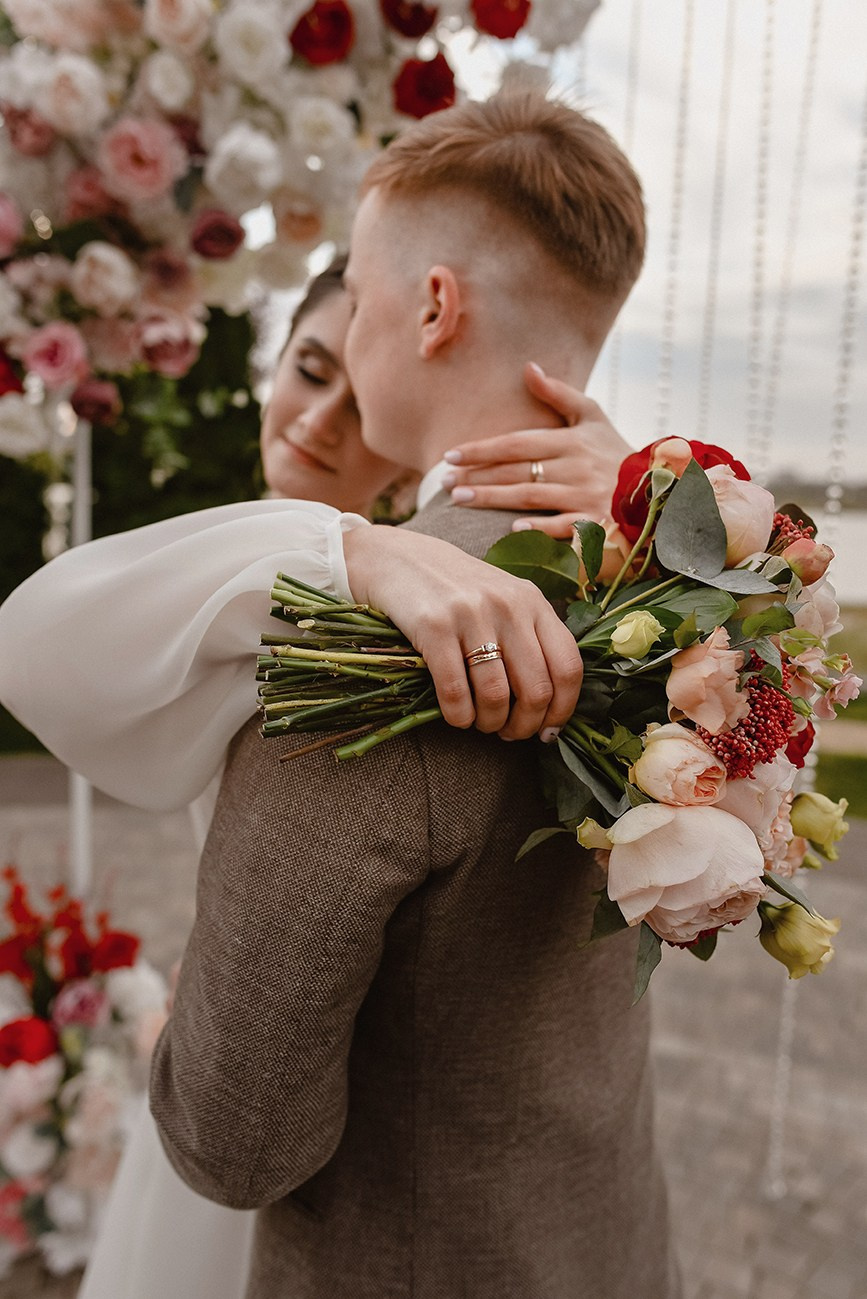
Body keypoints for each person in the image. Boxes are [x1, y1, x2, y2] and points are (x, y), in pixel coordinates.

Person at [0, 267, 629, 1296]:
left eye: (357, 398)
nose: (321, 423)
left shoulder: (396, 630)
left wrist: (652, 484)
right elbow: (27, 639)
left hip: (312, 1136)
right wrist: (356, 553)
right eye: (305, 370)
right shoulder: (249, 568)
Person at [150, 92, 680, 1298]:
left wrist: (170, 1045)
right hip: (608, 1243)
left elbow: (236, 1142)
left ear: (435, 307)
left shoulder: (363, 651)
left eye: (371, 299)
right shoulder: (679, 588)